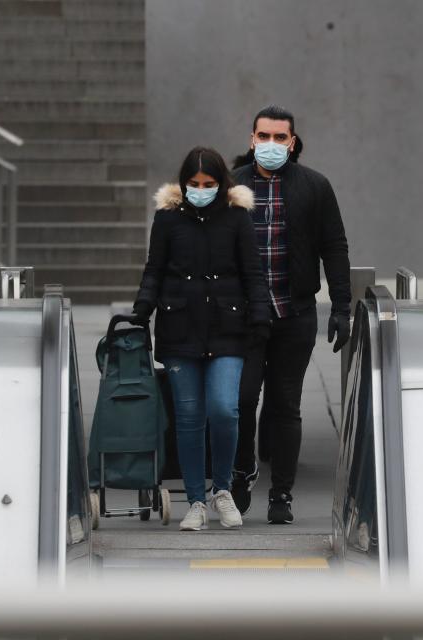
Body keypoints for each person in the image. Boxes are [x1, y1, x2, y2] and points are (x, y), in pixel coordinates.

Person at [133, 147, 271, 531]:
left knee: (225, 410)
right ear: (183, 184)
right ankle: (195, 499)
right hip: (180, 329)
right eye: (193, 184)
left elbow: (252, 273)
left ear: (221, 183)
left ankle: (222, 489)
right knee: (190, 418)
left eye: (208, 184)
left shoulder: (237, 219)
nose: (200, 190)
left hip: (228, 329)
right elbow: (154, 270)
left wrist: (260, 316)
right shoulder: (167, 220)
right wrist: (142, 309)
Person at [230, 105, 351, 524]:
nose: (271, 145)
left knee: (285, 405)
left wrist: (341, 306)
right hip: (243, 316)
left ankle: (281, 494)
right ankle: (241, 474)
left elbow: (334, 247)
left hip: (294, 313)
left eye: (280, 138)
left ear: (293, 142)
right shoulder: (233, 186)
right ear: (251, 140)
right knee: (241, 401)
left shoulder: (313, 186)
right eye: (263, 136)